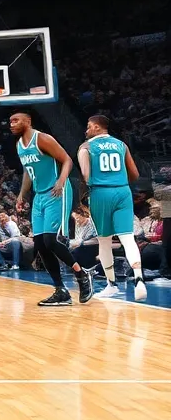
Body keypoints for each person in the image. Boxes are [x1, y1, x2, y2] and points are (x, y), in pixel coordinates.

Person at [11, 111, 93, 305]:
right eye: (10, 121)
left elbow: (67, 160)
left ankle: (81, 274)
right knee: (40, 244)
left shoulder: (42, 139)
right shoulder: (19, 145)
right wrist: (22, 194)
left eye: (16, 120)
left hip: (57, 191)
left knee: (50, 239)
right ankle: (61, 290)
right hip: (39, 195)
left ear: (28, 121)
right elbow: (28, 171)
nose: (11, 124)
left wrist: (61, 181)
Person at [78, 114, 143, 300]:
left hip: (101, 193)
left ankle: (111, 285)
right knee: (127, 238)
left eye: (89, 126)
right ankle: (139, 279)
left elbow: (86, 175)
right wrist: (118, 180)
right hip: (123, 191)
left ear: (97, 127)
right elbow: (135, 174)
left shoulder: (86, 147)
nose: (86, 130)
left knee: (104, 241)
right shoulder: (121, 145)